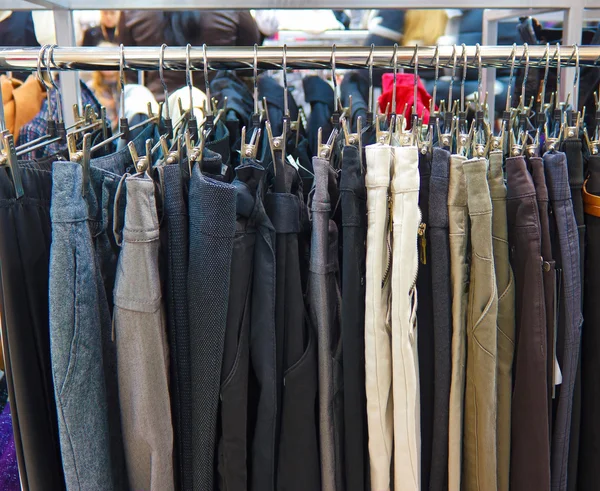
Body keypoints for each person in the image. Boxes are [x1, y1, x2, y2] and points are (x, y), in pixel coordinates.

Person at [119, 10, 261, 101]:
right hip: (217, 109)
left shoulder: (135, 9)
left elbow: (129, 71)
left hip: (158, 112)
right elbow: (249, 67)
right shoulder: (230, 7)